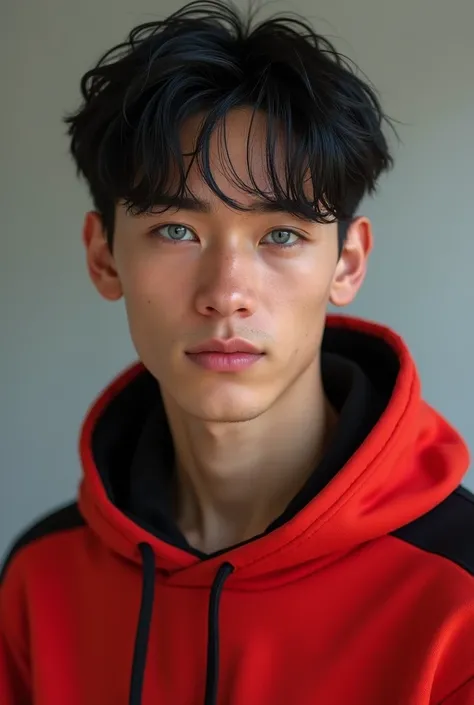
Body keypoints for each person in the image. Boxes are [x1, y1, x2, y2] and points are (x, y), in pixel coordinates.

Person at [1, 1, 473, 703]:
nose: (226, 293)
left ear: (347, 262)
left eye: (280, 234)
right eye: (175, 230)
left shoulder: (456, 591)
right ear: (104, 257)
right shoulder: (41, 577)